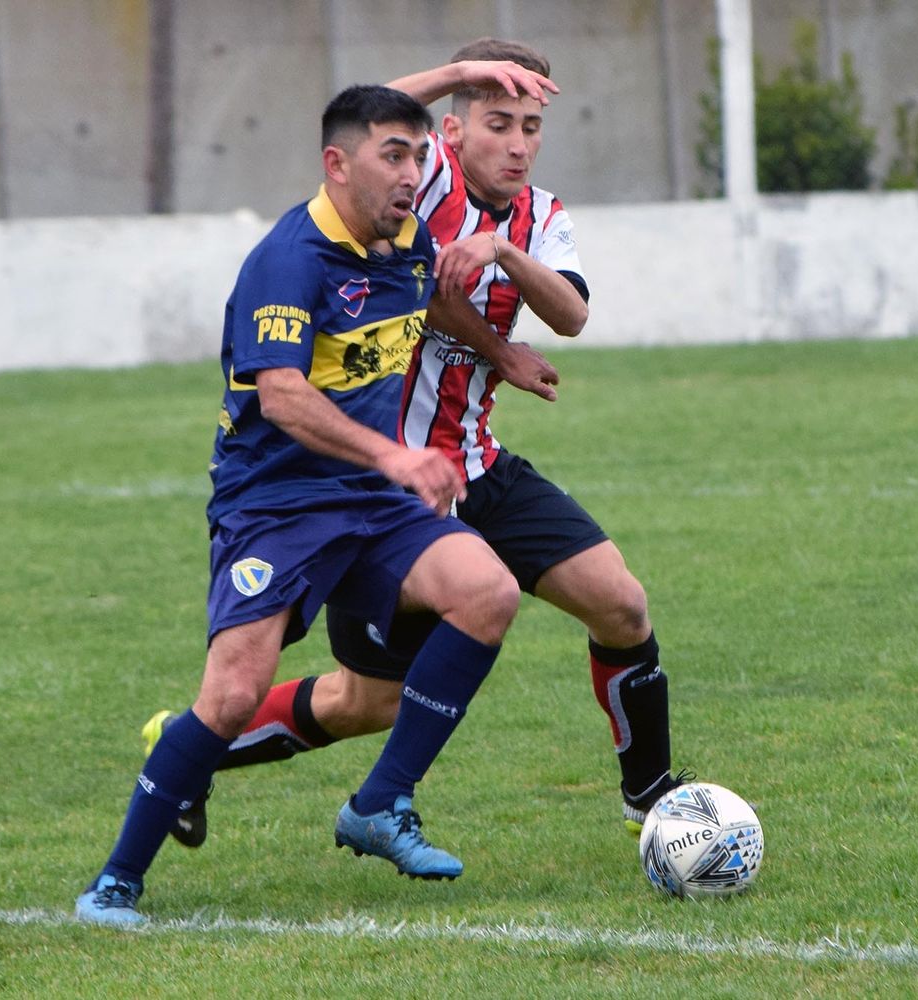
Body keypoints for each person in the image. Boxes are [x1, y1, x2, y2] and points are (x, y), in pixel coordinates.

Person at [145, 39, 688, 851]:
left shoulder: (542, 215)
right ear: (454, 131)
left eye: (531, 126)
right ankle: (188, 750)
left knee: (622, 604)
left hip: (475, 459)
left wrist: (504, 253)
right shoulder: (413, 179)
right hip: (388, 481)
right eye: (496, 121)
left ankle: (652, 797)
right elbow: (368, 121)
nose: (516, 142)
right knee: (366, 702)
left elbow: (571, 313)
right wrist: (455, 76)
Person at [75, 84, 526, 925]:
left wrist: (504, 351)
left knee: (489, 592)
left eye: (419, 157)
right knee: (233, 695)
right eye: (393, 155)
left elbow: (433, 298)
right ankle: (117, 881)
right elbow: (281, 395)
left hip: (374, 503)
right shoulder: (288, 261)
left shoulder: (409, 244)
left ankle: (380, 804)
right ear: (337, 163)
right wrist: (396, 452)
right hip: (275, 505)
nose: (411, 174)